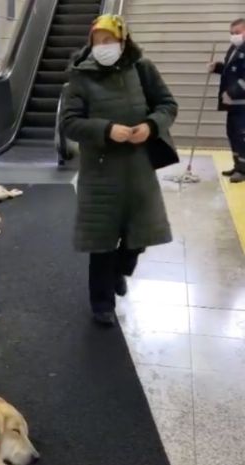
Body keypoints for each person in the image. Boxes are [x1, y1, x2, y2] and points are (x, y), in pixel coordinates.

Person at [60, 14, 178, 327]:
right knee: (102, 240)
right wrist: (106, 129)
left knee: (139, 234)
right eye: (97, 41)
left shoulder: (142, 69)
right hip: (100, 172)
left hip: (139, 169)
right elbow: (69, 123)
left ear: (123, 40)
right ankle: (102, 304)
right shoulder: (80, 77)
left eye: (108, 40)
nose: (103, 46)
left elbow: (167, 105)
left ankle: (119, 271)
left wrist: (151, 125)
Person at [208, 18, 245, 181]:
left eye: (237, 33)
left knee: (242, 135)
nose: (234, 36)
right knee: (233, 134)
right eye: (231, 33)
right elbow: (232, 72)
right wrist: (217, 67)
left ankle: (243, 171)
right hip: (233, 104)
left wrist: (232, 92)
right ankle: (237, 165)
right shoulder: (234, 48)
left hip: (242, 103)